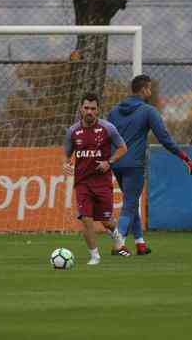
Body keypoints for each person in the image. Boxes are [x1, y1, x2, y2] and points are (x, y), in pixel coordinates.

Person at [108, 75, 192, 255]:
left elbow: (107, 136)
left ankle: (140, 243)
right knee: (130, 204)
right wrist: (184, 157)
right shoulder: (148, 111)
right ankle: (120, 244)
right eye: (149, 89)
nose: (151, 92)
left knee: (132, 203)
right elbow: (165, 139)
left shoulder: (114, 111)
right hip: (135, 164)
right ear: (144, 90)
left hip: (116, 163)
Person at [63, 92, 130, 265]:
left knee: (106, 221)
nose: (89, 112)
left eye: (93, 108)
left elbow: (123, 148)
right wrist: (66, 164)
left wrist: (109, 162)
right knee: (86, 219)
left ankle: (117, 238)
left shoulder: (108, 128)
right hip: (82, 183)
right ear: (80, 109)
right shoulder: (72, 131)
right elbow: (67, 154)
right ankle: (95, 256)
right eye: (86, 108)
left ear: (98, 110)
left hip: (102, 183)